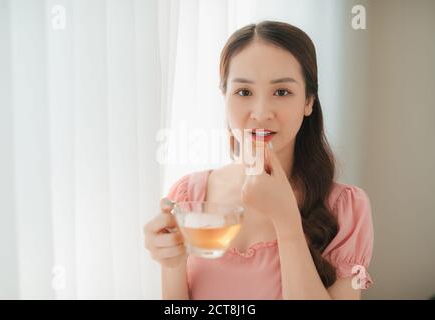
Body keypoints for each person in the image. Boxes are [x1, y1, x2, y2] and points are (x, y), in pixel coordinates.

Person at [144, 20, 374, 300]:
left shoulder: (345, 208)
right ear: (224, 97)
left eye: (281, 92)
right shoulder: (188, 196)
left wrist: (287, 221)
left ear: (308, 101)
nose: (262, 112)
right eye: (244, 92)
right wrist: (172, 264)